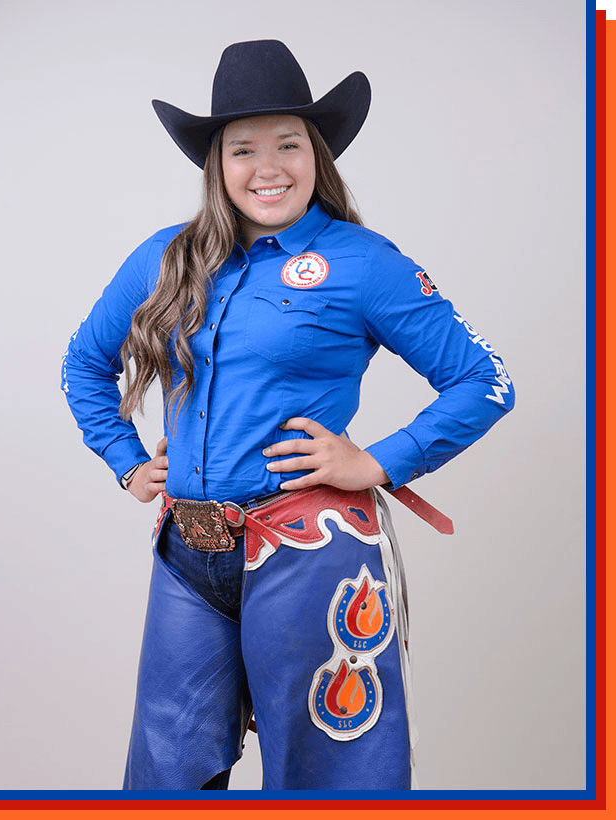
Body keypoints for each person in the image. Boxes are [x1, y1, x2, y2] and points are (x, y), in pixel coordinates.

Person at [61, 39, 514, 791]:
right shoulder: (164, 258)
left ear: (318, 154)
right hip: (187, 555)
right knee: (165, 780)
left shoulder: (364, 261)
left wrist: (379, 460)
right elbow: (84, 362)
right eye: (243, 149)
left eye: (288, 145)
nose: (267, 168)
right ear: (218, 164)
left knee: (329, 778)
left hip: (310, 551)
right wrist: (126, 461)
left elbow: (484, 379)